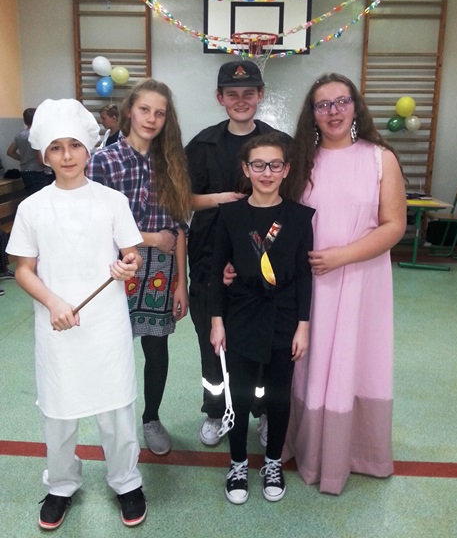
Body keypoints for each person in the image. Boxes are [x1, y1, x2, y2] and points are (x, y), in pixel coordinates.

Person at [6, 98, 147, 529]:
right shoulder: (32, 207)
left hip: (106, 325)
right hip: (58, 327)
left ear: (88, 149)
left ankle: (126, 480)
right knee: (60, 412)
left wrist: (128, 265)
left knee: (116, 410)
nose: (66, 155)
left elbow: (132, 254)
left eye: (73, 146)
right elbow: (23, 268)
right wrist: (54, 302)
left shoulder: (112, 201)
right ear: (43, 155)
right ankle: (62, 483)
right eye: (56, 147)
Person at [281, 73, 406, 495]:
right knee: (310, 361)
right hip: (311, 284)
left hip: (360, 281)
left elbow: (394, 226)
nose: (333, 111)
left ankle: (353, 452)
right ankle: (308, 446)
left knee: (356, 360)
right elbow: (280, 220)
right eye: (323, 105)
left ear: (355, 106)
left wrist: (342, 256)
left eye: (341, 101)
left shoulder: (380, 159)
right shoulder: (301, 161)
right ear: (312, 114)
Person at [186, 59, 290, 447]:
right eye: (232, 94)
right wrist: (220, 199)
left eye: (249, 93)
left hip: (262, 261)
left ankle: (261, 412)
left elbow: (290, 204)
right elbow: (183, 199)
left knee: (261, 341)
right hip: (209, 260)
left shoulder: (279, 143)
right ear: (220, 98)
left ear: (261, 95)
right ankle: (216, 411)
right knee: (211, 341)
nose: (241, 100)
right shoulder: (202, 145)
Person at [87, 79, 191, 456]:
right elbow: (95, 227)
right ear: (129, 110)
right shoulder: (103, 162)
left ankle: (151, 418)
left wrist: (181, 283)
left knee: (156, 348)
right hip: (117, 269)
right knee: (113, 349)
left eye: (159, 113)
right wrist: (151, 239)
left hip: (162, 271)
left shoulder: (172, 162)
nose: (151, 119)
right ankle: (114, 421)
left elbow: (179, 229)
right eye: (144, 109)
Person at [210, 132, 314, 504]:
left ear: (286, 170)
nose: (266, 172)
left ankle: (272, 462)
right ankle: (238, 463)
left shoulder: (299, 217)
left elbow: (304, 275)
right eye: (258, 164)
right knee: (238, 395)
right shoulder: (231, 214)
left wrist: (303, 326)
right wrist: (217, 321)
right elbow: (216, 270)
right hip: (241, 313)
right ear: (246, 169)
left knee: (279, 396)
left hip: (284, 317)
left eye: (274, 165)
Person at [7, 107, 51, 195]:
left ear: (25, 120)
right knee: (42, 197)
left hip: (25, 171)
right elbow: (41, 160)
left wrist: (24, 159)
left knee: (31, 197)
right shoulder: (38, 136)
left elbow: (10, 152)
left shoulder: (20, 136)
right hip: (38, 172)